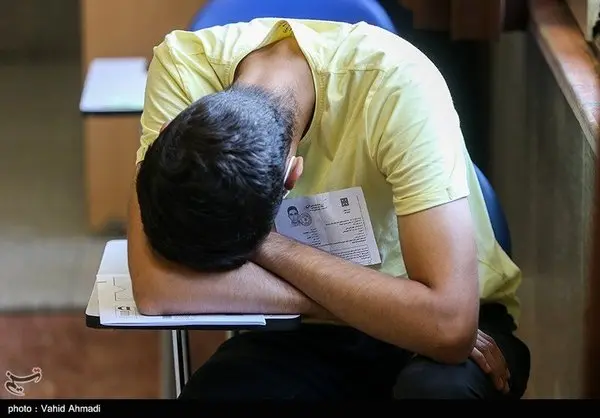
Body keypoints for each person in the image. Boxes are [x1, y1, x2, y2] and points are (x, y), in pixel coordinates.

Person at [129, 18, 531, 399]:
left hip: (462, 323)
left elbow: (449, 326)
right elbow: (156, 287)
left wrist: (265, 247)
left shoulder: (397, 83)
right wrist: (388, 315)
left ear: (292, 175)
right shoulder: (179, 67)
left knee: (437, 392)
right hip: (314, 326)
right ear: (168, 131)